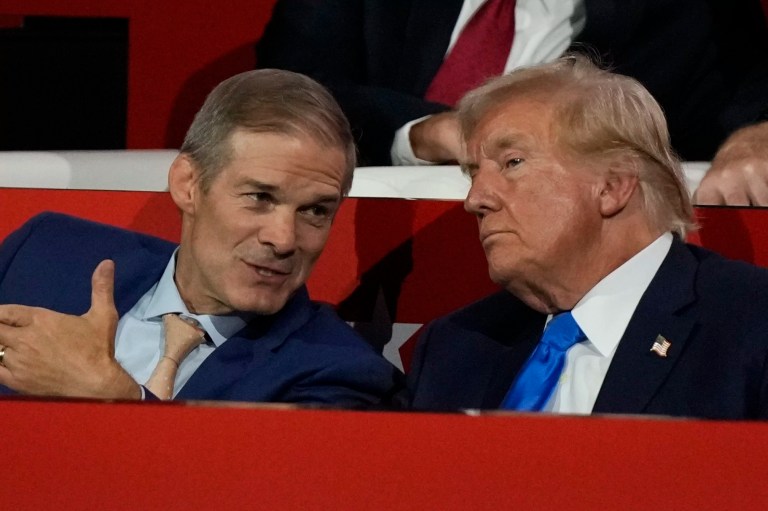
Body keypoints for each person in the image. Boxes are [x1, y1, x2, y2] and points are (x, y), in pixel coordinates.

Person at [0, 69, 403, 407]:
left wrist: (113, 397)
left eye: (315, 211)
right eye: (260, 197)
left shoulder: (339, 375)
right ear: (188, 184)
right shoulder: (43, 254)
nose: (284, 240)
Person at [406, 55, 768, 419]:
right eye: (473, 174)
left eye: (513, 162)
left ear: (613, 185)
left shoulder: (751, 322)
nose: (475, 200)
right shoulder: (457, 347)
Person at [256, 0, 768, 204]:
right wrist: (422, 130)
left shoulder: (685, 16)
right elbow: (279, 92)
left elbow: (749, 94)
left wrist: (757, 133)